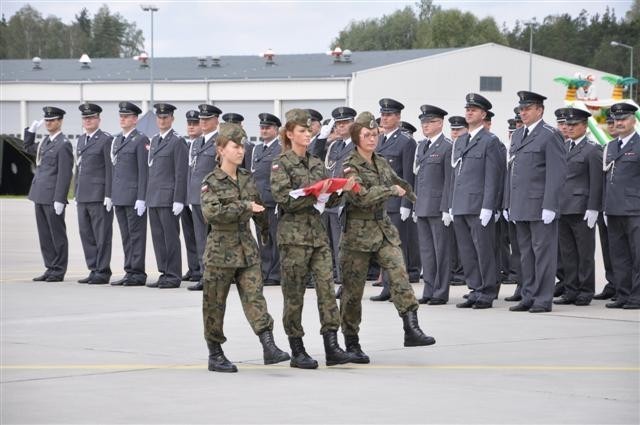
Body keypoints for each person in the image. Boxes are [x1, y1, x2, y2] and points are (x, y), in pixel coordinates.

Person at [340, 111, 436, 362]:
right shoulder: (349, 165)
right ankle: (351, 342)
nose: (372, 139)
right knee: (352, 293)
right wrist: (389, 191)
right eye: (367, 135)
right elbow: (359, 196)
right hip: (358, 235)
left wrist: (413, 197)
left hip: (383, 231)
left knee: (400, 275)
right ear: (356, 138)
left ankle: (411, 328)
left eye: (374, 134)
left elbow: (400, 182)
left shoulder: (380, 161)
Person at [200, 122, 290, 373]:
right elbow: (212, 213)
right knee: (214, 304)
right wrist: (244, 207)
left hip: (246, 247)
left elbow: (258, 205)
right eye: (235, 146)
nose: (240, 151)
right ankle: (215, 353)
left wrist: (264, 231)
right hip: (220, 248)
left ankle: (269, 346)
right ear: (220, 149)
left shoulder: (247, 178)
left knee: (255, 297)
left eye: (242, 147)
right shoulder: (211, 181)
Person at [270, 108, 355, 369]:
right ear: (289, 134)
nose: (308, 135)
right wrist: (313, 192)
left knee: (327, 291)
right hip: (293, 237)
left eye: (310, 130)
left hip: (317, 236)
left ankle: (332, 344)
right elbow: (283, 198)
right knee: (294, 295)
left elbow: (327, 200)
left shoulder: (317, 163)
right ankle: (297, 348)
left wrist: (339, 190)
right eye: (302, 131)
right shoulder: (280, 163)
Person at [506, 91, 567, 313]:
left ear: (539, 110)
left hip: (541, 206)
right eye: (521, 109)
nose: (523, 113)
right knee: (525, 254)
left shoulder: (550, 135)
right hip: (521, 205)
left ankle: (543, 298)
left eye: (527, 109)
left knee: (543, 254)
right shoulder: (519, 134)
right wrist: (509, 203)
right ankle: (528, 295)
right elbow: (512, 172)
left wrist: (550, 205)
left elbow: (557, 173)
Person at [449, 93, 504, 309]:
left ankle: (488, 291)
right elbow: (457, 174)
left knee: (484, 250)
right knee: (467, 251)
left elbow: (494, 176)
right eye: (467, 109)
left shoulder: (490, 141)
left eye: (474, 110)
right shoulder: (462, 140)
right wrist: (452, 203)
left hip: (479, 205)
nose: (469, 112)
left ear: (483, 114)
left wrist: (489, 206)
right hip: (461, 203)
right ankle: (474, 289)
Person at [371, 98, 420, 301]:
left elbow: (408, 176)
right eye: (382, 114)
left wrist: (407, 204)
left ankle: (400, 290)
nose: (384, 118)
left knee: (398, 249)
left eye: (389, 115)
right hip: (381, 203)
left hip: (397, 205)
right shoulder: (378, 140)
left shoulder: (406, 142)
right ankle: (387, 288)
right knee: (384, 249)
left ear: (398, 117)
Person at [554, 107, 603, 306]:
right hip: (563, 207)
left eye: (574, 124)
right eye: (567, 124)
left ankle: (585, 290)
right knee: (567, 253)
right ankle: (570, 289)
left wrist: (594, 208)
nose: (570, 128)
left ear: (584, 126)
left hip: (582, 208)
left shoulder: (592, 149)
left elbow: (596, 182)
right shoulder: (565, 147)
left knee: (584, 253)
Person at [24, 106, 73, 282]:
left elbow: (65, 173)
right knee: (44, 234)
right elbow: (28, 147)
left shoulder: (64, 144)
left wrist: (60, 198)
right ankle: (50, 267)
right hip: (39, 194)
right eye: (47, 120)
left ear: (60, 122)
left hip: (53, 197)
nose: (48, 123)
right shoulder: (45, 142)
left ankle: (58, 269)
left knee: (56, 234)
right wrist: (30, 131)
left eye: (52, 120)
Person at [146, 103, 189, 289]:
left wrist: (179, 199)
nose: (162, 120)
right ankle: (164, 272)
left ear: (172, 119)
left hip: (168, 198)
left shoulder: (177, 141)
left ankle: (173, 275)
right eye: (159, 117)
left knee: (170, 238)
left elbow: (181, 172)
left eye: (165, 117)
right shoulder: (154, 140)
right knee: (158, 238)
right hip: (154, 197)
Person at [413, 105, 452, 305]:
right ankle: (429, 289)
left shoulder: (447, 146)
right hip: (422, 205)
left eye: (430, 122)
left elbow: (449, 180)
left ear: (440, 123)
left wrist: (446, 207)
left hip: (438, 207)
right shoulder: (422, 146)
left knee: (441, 251)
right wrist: (413, 204)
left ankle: (440, 291)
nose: (425, 126)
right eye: (423, 122)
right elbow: (418, 177)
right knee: (427, 252)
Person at [602, 102, 640, 309]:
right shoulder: (611, 146)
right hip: (614, 209)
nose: (619, 123)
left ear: (633, 120)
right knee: (619, 255)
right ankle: (623, 294)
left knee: (638, 255)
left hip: (635, 209)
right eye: (616, 120)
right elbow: (606, 179)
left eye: (624, 119)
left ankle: (637, 296)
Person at [74, 103, 114, 285]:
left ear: (98, 119)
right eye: (85, 118)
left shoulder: (106, 139)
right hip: (83, 194)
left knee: (101, 235)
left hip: (99, 195)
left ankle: (103, 270)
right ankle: (93, 268)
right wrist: (76, 192)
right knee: (86, 234)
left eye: (91, 118)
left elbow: (110, 168)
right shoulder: (81, 140)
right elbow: (79, 168)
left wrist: (109, 194)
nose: (88, 121)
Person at [110, 102, 149, 286]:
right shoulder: (118, 140)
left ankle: (138, 273)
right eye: (121, 116)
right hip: (119, 196)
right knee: (126, 236)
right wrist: (110, 194)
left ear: (135, 119)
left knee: (136, 235)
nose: (122, 119)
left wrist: (142, 197)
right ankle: (129, 271)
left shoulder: (141, 140)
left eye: (126, 116)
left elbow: (143, 172)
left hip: (134, 197)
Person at [186, 103, 222, 291]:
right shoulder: (196, 142)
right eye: (202, 120)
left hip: (213, 199)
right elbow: (192, 172)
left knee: (214, 239)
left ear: (216, 120)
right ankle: (204, 274)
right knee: (201, 238)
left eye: (207, 119)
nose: (203, 123)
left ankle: (215, 276)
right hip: (197, 198)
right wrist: (188, 197)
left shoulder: (220, 142)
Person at [246, 112, 282, 286]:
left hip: (273, 200)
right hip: (258, 200)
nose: (264, 130)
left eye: (267, 128)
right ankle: (265, 271)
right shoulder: (257, 149)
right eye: (262, 127)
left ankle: (275, 274)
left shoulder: (280, 149)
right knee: (263, 238)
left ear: (275, 130)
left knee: (275, 238)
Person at [324, 106, 357, 295]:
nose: (341, 126)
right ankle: (339, 279)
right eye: (338, 124)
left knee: (345, 246)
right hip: (330, 201)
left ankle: (348, 284)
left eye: (345, 123)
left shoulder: (358, 145)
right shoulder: (334, 146)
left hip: (346, 201)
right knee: (333, 245)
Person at [594, 110, 617, 300]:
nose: (612, 126)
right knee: (609, 249)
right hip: (606, 206)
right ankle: (613, 284)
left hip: (629, 207)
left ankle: (628, 287)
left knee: (629, 251)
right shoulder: (608, 147)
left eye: (615, 122)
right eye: (609, 123)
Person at [181, 110, 203, 284]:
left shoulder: (203, 145)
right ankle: (193, 267)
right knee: (189, 234)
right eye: (189, 124)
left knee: (201, 234)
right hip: (186, 196)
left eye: (195, 124)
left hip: (200, 197)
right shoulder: (185, 144)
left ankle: (202, 269)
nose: (191, 127)